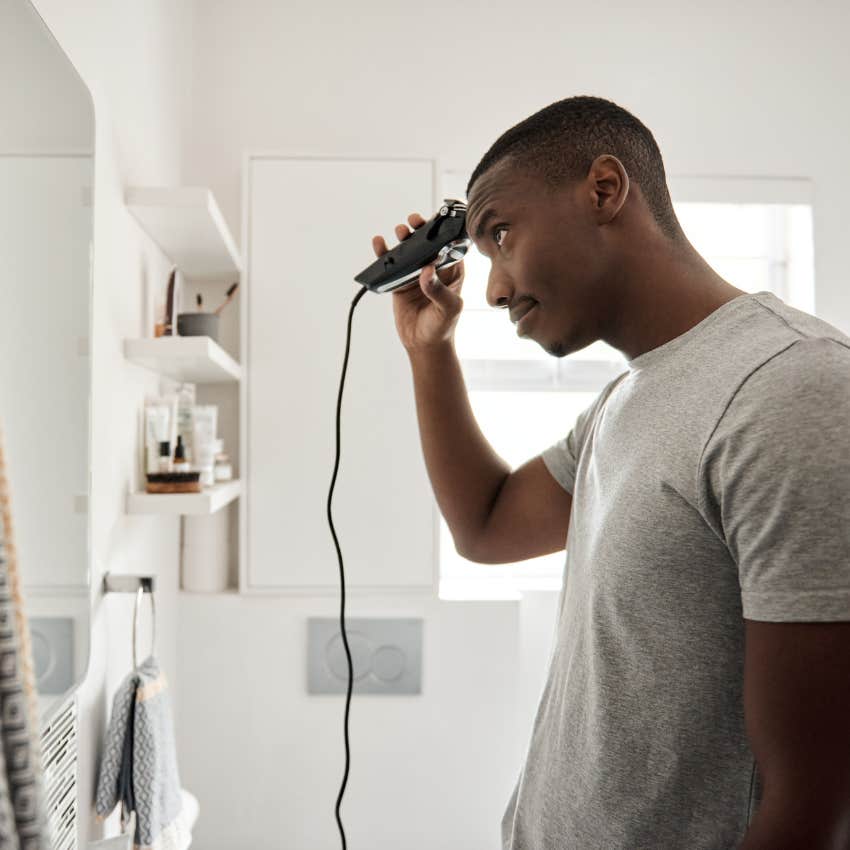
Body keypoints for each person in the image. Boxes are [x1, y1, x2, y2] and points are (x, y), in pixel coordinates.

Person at [370, 95, 850, 849]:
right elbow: (487, 526)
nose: (493, 289)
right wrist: (428, 350)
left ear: (604, 189)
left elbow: (815, 805)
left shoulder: (793, 390)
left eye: (501, 234)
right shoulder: (627, 397)